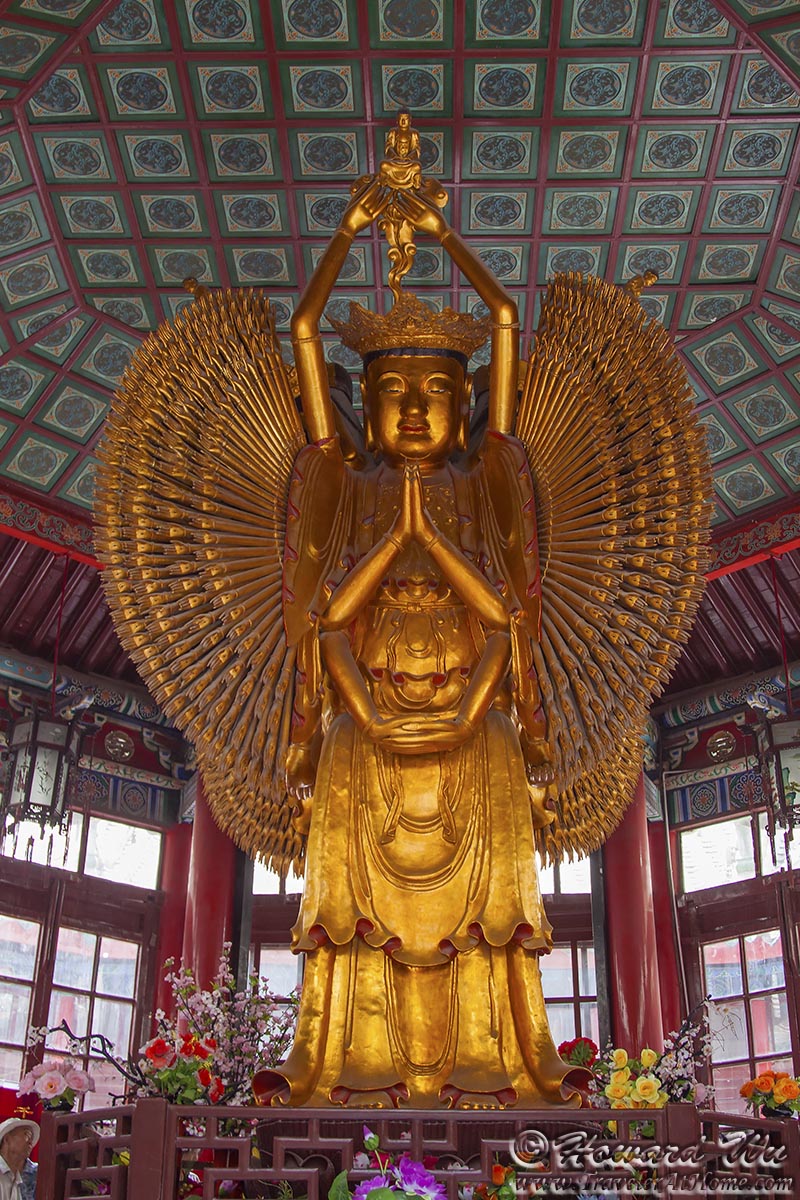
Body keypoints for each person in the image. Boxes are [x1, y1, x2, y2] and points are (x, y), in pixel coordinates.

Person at [253, 137, 577, 1110]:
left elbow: (506, 319)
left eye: (435, 391)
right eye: (390, 392)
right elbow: (303, 333)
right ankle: (336, 1069)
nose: (411, 410)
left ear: (464, 400)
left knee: (492, 921)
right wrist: (347, 234)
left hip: (475, 730)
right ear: (365, 402)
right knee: (347, 919)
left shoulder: (484, 480)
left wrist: (443, 235)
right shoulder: (346, 484)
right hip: (365, 730)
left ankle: (503, 1064)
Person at [0, 1118, 38, 1200]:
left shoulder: (16, 1178)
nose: (30, 1142)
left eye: (31, 1138)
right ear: (7, 1139)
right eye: (26, 1135)